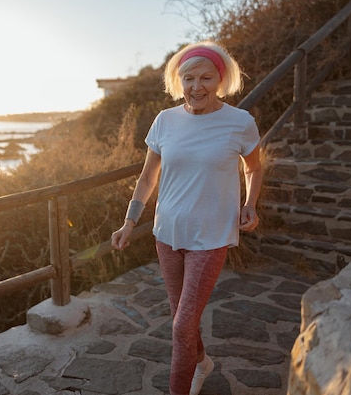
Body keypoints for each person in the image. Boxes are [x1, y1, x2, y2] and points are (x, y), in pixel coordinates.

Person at [111, 40, 263, 395]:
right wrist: (129, 221)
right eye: (189, 78)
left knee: (180, 326)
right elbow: (148, 178)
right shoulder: (165, 121)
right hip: (166, 234)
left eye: (206, 78)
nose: (197, 87)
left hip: (210, 236)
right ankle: (202, 363)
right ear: (179, 82)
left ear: (221, 79)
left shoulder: (240, 122)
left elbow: (253, 168)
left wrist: (251, 203)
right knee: (183, 317)